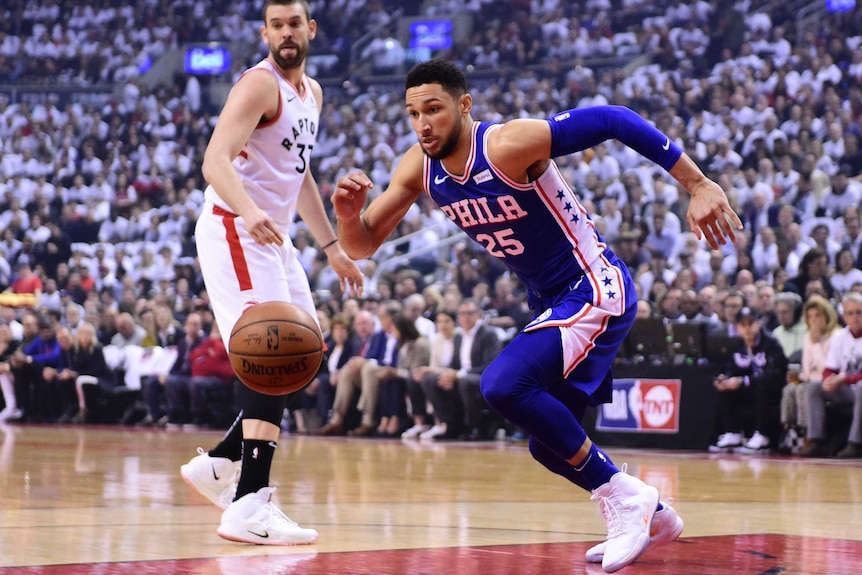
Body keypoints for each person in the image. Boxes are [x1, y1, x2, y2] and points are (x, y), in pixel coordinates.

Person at [332, 60, 741, 573]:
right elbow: (364, 244)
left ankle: (624, 496)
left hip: (593, 284)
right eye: (413, 113)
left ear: (463, 105)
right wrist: (348, 216)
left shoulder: (506, 144)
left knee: (503, 384)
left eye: (433, 109)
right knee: (550, 444)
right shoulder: (418, 167)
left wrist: (697, 183)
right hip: (552, 299)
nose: (423, 124)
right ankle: (654, 516)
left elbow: (614, 117)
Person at [179, 0, 363, 546]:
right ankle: (248, 502)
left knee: (303, 353)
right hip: (237, 228)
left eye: (294, 24)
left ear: (311, 29)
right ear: (266, 33)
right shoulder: (258, 86)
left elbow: (298, 174)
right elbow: (215, 159)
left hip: (273, 238)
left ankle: (218, 464)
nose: (286, 34)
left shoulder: (313, 93)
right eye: (276, 26)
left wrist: (330, 245)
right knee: (274, 350)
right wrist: (251, 210)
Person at [708, 307, 788, 454]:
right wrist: (725, 379)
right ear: (737, 327)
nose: (747, 329)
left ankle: (763, 435)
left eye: (750, 324)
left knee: (763, 387)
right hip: (748, 388)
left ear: (758, 324)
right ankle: (733, 433)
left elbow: (773, 374)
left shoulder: (771, 344)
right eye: (743, 325)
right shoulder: (738, 346)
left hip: (772, 390)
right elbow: (732, 369)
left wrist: (744, 380)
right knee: (724, 388)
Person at [801, 292, 862, 458]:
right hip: (847, 391)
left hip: (859, 389)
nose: (855, 317)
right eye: (850, 313)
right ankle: (817, 440)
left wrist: (844, 378)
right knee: (814, 387)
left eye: (859, 312)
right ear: (844, 316)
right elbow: (829, 368)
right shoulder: (840, 337)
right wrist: (829, 380)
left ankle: (855, 444)